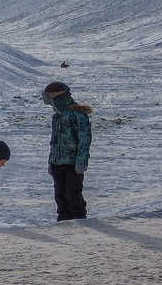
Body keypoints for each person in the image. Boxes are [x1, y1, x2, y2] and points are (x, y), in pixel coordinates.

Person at [42, 81, 93, 221]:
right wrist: (51, 162)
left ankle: (79, 220)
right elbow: (54, 142)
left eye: (52, 103)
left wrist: (81, 162)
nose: (52, 107)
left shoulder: (78, 116)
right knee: (60, 195)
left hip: (72, 165)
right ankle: (63, 224)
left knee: (73, 195)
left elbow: (84, 140)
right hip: (57, 163)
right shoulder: (57, 118)